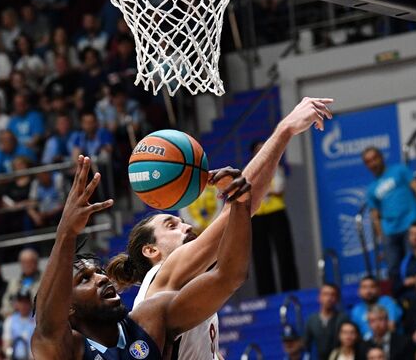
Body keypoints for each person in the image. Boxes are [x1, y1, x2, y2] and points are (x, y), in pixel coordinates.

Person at [107, 97, 333, 359]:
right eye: (171, 225)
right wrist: (285, 130)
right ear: (150, 250)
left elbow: (246, 207)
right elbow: (239, 208)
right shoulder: (162, 273)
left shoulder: (186, 290)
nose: (186, 226)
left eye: (182, 221)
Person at [31, 155, 252, 359]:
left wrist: (239, 203)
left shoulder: (148, 318)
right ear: (68, 306)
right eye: (85, 279)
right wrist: (66, 234)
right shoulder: (67, 350)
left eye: (98, 272)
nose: (101, 278)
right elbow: (47, 325)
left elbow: (228, 277)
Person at [362, 146, 416, 287]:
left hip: (410, 224)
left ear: (381, 157)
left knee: (414, 262)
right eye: (368, 161)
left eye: (374, 158)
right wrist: (381, 238)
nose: (373, 163)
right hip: (389, 231)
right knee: (393, 268)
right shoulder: (371, 189)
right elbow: (375, 216)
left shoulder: (400, 171)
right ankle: (400, 299)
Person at [250, 140, 299, 295]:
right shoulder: (249, 171)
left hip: (276, 212)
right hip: (257, 215)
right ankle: (266, 293)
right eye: (258, 150)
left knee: (284, 251)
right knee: (261, 255)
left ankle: (290, 289)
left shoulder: (276, 167)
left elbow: (277, 188)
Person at [304, 283, 349, 360]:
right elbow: (306, 343)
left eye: (332, 295)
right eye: (325, 294)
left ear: (337, 298)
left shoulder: (344, 318)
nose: (329, 298)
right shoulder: (312, 320)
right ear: (319, 297)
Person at [1, 249, 42, 318]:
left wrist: (24, 306)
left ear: (36, 263)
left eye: (30, 262)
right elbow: (6, 301)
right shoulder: (14, 282)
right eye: (24, 262)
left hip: (36, 317)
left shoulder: (44, 280)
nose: (27, 265)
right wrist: (9, 312)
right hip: (15, 317)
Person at [2, 289, 35, 360]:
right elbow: (6, 344)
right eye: (21, 302)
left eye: (26, 302)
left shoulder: (37, 320)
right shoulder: (10, 320)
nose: (23, 305)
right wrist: (9, 354)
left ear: (30, 303)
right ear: (16, 304)